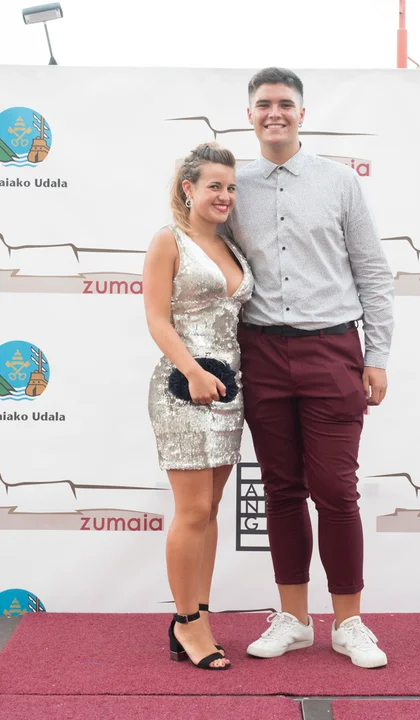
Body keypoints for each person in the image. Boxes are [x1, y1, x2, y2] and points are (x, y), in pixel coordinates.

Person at [225, 68, 394, 669]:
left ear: (302, 113)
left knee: (337, 491)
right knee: (280, 490)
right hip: (261, 352)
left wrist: (377, 356)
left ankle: (349, 623)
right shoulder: (232, 186)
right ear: (249, 115)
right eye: (263, 104)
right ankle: (293, 620)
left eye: (285, 104)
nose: (274, 113)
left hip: (332, 349)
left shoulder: (339, 181)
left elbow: (372, 271)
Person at [143, 142, 253, 671]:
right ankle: (186, 622)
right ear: (188, 188)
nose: (224, 195)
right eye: (214, 186)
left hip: (229, 392)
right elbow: (157, 319)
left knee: (210, 511)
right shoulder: (169, 240)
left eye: (231, 187)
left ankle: (197, 615)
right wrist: (192, 371)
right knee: (191, 511)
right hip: (182, 389)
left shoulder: (232, 245)